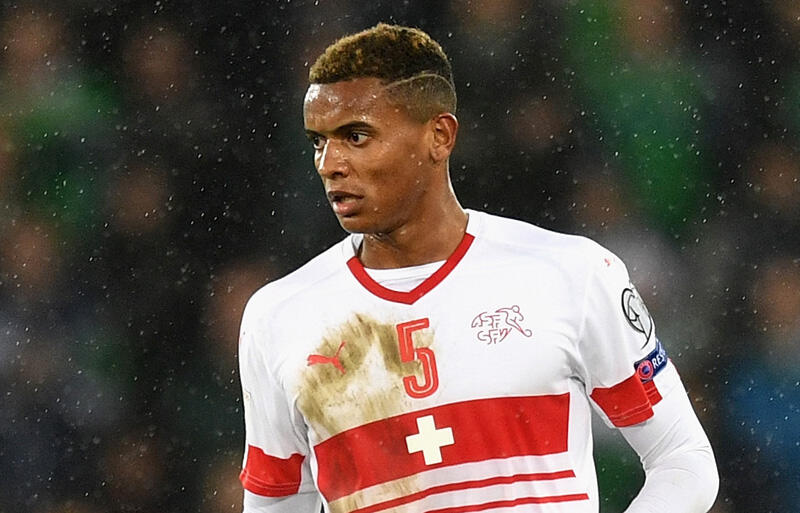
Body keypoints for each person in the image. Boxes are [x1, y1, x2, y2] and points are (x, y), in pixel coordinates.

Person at [237, 23, 719, 513]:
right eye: (318, 141)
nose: (329, 163)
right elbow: (277, 504)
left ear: (439, 136)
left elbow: (682, 460)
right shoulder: (279, 317)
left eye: (356, 136)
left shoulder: (570, 275)